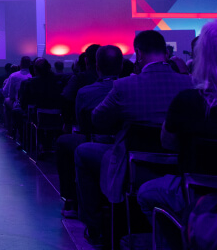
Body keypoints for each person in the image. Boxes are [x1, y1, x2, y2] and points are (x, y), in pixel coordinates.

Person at [74, 30, 192, 245]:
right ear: (166, 52)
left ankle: (95, 227)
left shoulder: (125, 86)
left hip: (134, 169)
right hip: (181, 169)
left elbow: (97, 120)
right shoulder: (191, 84)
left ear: (138, 53)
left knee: (83, 152)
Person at [138, 20, 217, 227]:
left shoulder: (187, 101)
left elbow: (169, 144)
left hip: (199, 194)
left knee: (145, 193)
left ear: (202, 57)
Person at [58, 45, 123, 219]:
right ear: (121, 65)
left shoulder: (83, 90)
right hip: (126, 146)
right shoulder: (131, 87)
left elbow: (81, 123)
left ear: (94, 64)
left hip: (95, 142)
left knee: (64, 143)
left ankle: (72, 201)